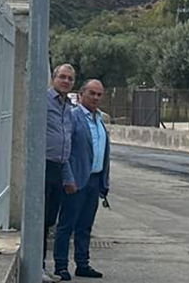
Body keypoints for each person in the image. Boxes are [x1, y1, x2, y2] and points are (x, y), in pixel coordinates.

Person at [54, 80, 110, 281]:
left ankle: (82, 264)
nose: (95, 97)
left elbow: (104, 152)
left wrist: (104, 181)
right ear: (81, 94)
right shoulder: (73, 117)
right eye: (92, 93)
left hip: (94, 180)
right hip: (76, 180)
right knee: (66, 225)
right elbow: (66, 150)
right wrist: (68, 178)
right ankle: (61, 265)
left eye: (99, 94)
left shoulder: (100, 119)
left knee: (85, 225)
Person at [43, 64, 76, 283]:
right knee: (40, 220)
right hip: (43, 165)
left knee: (49, 220)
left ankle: (42, 266)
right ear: (54, 78)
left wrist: (68, 176)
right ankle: (38, 267)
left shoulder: (68, 107)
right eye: (62, 77)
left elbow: (65, 144)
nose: (65, 81)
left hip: (58, 168)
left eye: (70, 79)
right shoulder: (44, 101)